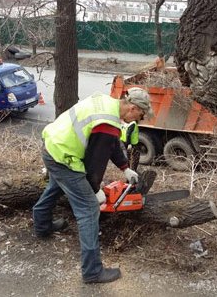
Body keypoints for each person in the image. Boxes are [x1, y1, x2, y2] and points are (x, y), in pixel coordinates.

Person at [32, 88, 153, 284]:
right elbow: (94, 163)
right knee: (89, 210)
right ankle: (92, 271)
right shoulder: (108, 123)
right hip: (65, 156)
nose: (139, 120)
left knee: (57, 185)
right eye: (140, 115)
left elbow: (111, 143)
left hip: (53, 146)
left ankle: (42, 225)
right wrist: (95, 190)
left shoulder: (107, 104)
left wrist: (125, 168)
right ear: (132, 107)